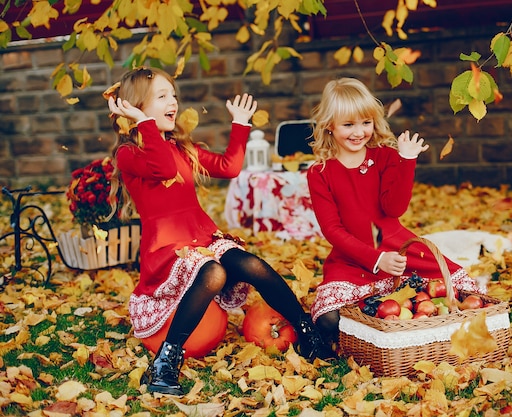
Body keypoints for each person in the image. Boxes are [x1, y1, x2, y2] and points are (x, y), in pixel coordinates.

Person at [105, 67, 334, 396]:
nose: (173, 101)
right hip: (168, 250)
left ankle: (306, 331)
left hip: (201, 239)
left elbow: (229, 167)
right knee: (212, 272)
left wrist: (240, 124)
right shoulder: (130, 153)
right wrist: (143, 123)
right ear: (137, 106)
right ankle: (164, 364)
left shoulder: (180, 148)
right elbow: (163, 169)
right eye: (162, 96)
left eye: (174, 94)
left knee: (248, 263)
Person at [306, 77, 483, 343]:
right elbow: (332, 230)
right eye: (348, 125)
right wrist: (376, 260)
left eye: (366, 123)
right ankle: (380, 335)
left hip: (399, 249)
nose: (358, 132)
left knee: (461, 294)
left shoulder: (386, 157)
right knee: (328, 319)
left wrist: (407, 160)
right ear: (330, 125)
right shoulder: (319, 172)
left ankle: (408, 332)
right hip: (351, 257)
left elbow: (394, 208)